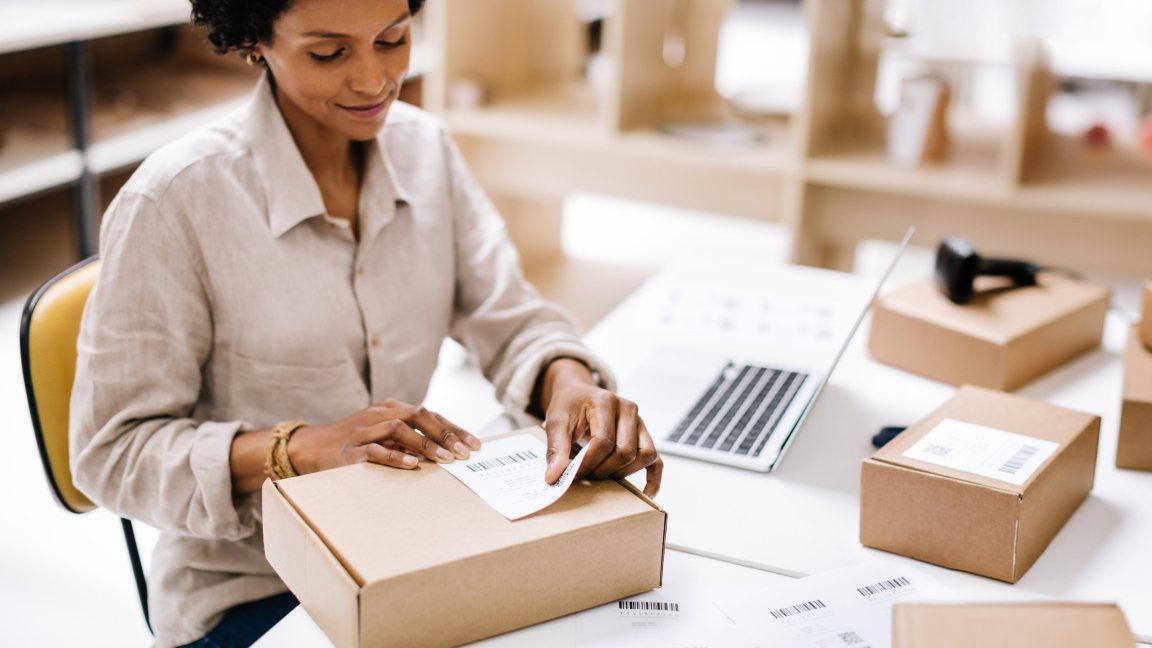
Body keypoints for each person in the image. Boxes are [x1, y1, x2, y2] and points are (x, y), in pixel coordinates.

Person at [68, 0, 662, 645]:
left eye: (393, 39)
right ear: (254, 40)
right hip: (257, 589)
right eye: (329, 53)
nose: (374, 80)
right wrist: (296, 449)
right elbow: (110, 453)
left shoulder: (425, 149)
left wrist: (567, 383)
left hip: (412, 549)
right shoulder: (176, 200)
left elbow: (509, 315)